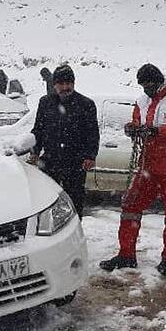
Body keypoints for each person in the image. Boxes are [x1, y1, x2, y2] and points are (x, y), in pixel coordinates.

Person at [100, 64, 166, 276]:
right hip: (148, 168)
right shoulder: (141, 102)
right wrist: (132, 128)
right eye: (143, 86)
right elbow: (137, 119)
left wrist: (158, 131)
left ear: (158, 81)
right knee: (130, 206)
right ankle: (127, 254)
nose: (146, 89)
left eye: (149, 85)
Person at [29, 65, 99, 217]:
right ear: (55, 84)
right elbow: (38, 129)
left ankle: (74, 231)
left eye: (69, 83)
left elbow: (92, 133)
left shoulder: (86, 104)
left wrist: (90, 155)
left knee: (75, 200)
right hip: (50, 160)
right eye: (62, 83)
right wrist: (34, 151)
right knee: (46, 200)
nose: (66, 87)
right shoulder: (45, 102)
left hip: (75, 162)